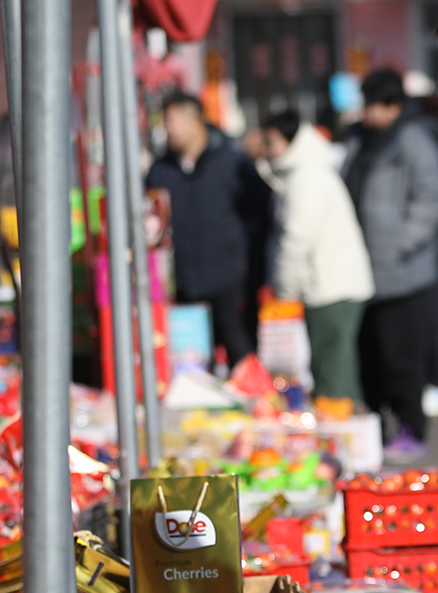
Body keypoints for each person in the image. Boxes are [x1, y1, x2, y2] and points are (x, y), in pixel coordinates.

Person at [342, 69, 438, 464]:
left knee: (403, 358)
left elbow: (431, 200)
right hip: (360, 269)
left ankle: (411, 430)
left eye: (374, 104)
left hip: (402, 274)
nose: (366, 112)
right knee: (370, 360)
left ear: (394, 106)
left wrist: (401, 243)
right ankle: (378, 431)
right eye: (364, 103)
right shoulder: (358, 139)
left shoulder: (414, 140)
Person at [146, 93, 272, 369]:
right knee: (193, 367)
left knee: (243, 359)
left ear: (194, 121)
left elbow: (261, 216)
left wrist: (250, 265)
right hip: (185, 288)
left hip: (231, 281)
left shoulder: (232, 164)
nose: (166, 129)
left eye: (171, 121)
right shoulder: (160, 171)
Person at [258, 111, 374, 401]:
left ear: (291, 142)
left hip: (330, 290)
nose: (267, 150)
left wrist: (284, 289)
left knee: (332, 377)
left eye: (271, 143)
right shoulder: (306, 172)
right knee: (335, 370)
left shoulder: (306, 178)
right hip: (332, 286)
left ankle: (342, 440)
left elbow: (297, 240)